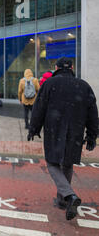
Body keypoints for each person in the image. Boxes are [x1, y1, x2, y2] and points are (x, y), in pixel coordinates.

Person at [28, 57, 98, 221]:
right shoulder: (83, 86)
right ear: (72, 67)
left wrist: (34, 129)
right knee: (67, 163)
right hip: (75, 131)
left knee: (52, 162)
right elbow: (93, 113)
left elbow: (39, 108)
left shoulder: (50, 83)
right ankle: (62, 200)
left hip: (54, 129)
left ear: (56, 67)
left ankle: (68, 195)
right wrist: (92, 135)